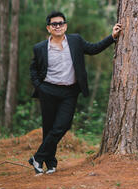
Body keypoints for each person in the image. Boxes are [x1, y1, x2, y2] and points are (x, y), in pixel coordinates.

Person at [29, 10, 122, 175]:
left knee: (63, 125)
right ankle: (50, 163)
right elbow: (34, 69)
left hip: (69, 92)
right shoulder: (40, 48)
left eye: (61, 23)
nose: (58, 26)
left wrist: (112, 37)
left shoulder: (76, 41)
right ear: (48, 28)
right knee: (49, 128)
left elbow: (94, 49)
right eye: (54, 24)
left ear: (65, 26)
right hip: (48, 90)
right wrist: (40, 87)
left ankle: (37, 157)